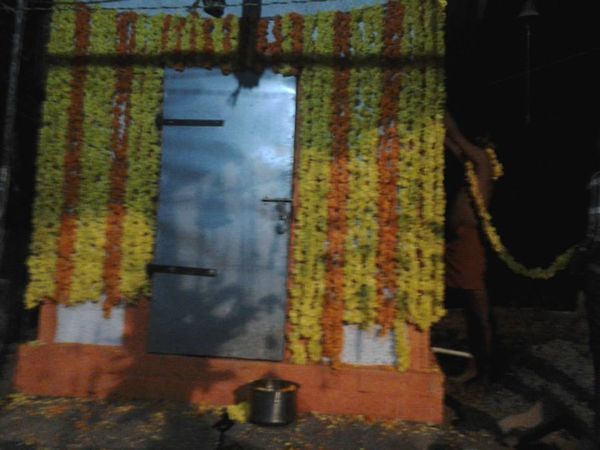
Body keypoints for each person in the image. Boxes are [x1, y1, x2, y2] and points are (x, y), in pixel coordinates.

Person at [443, 112, 496, 383]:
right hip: (457, 243)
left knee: (477, 306)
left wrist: (447, 117)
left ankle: (484, 367)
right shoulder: (472, 167)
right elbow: (456, 148)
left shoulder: (484, 162)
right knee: (470, 306)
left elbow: (461, 142)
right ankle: (480, 364)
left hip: (469, 243)